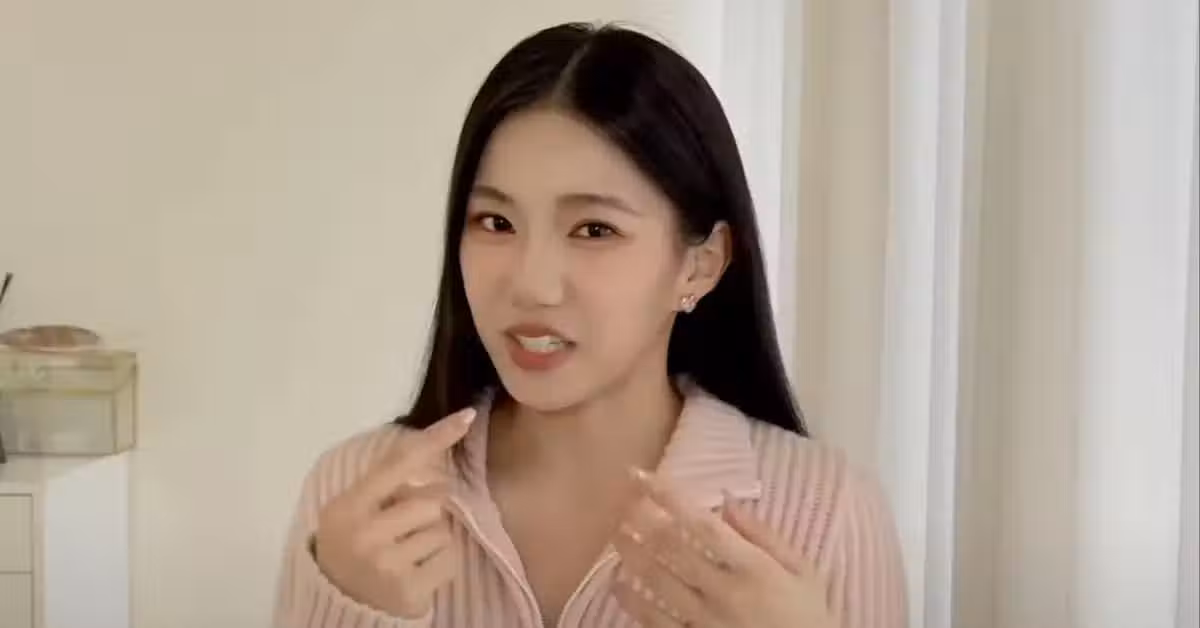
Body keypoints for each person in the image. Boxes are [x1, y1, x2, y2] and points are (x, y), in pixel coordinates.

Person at [273, 21, 907, 628]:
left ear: (700, 265)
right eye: (496, 223)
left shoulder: (827, 514)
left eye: (594, 230)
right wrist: (348, 612)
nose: (532, 284)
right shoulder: (357, 498)